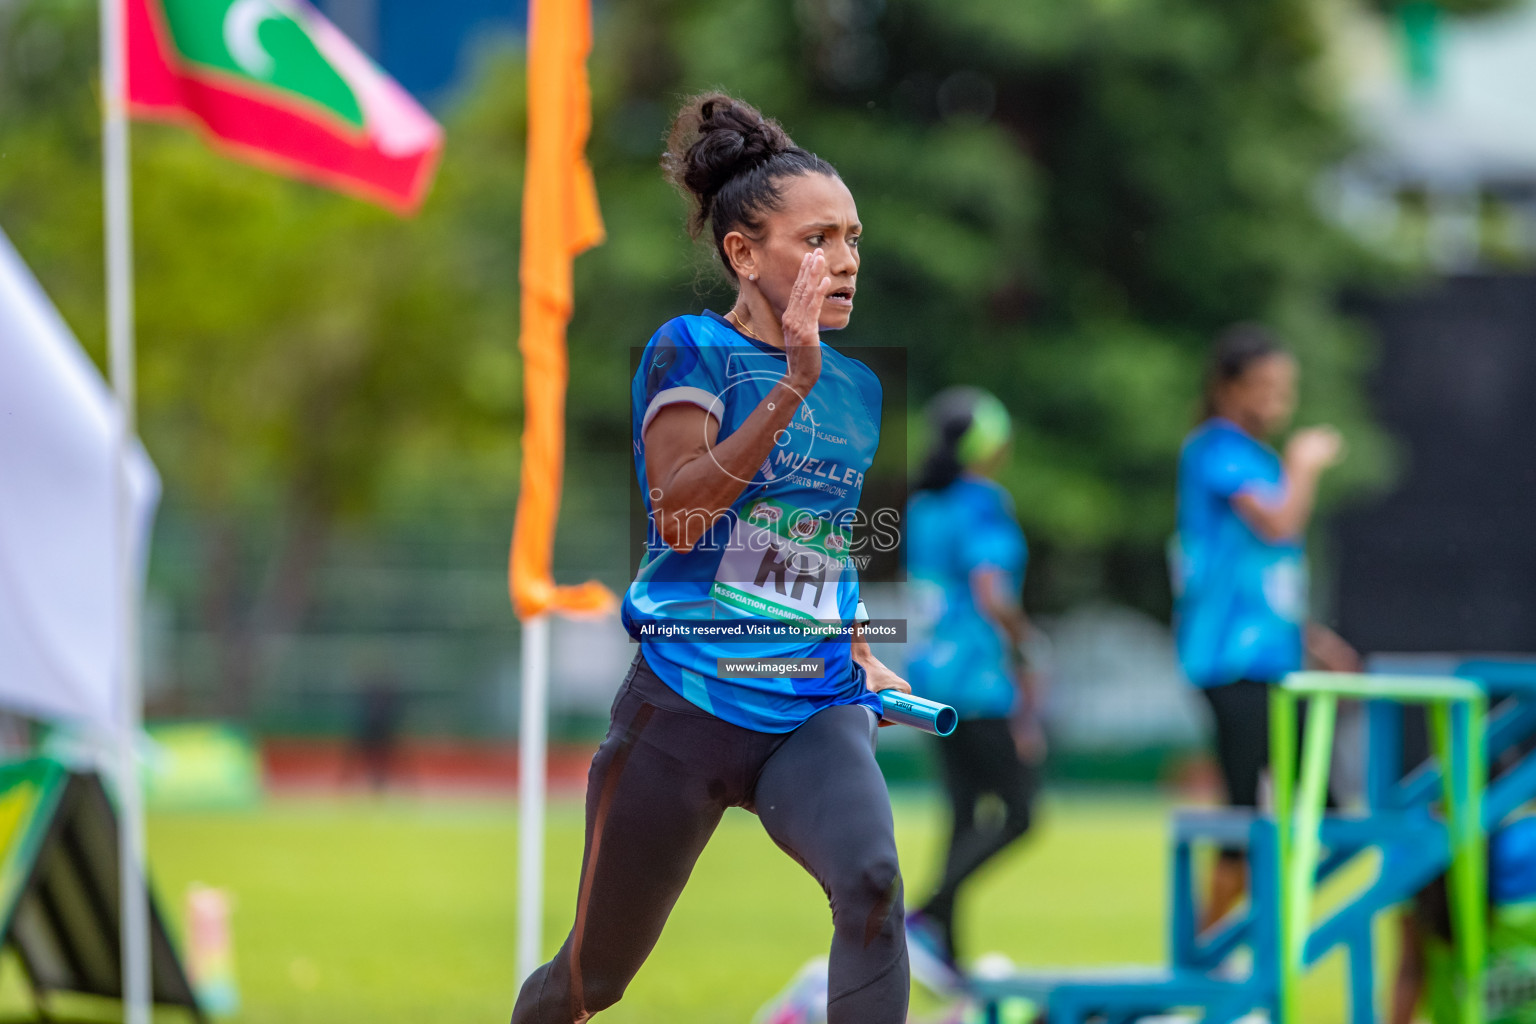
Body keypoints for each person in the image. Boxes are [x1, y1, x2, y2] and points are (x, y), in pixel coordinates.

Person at [511, 93, 912, 1024]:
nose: (845, 261)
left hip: (809, 704)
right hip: (684, 704)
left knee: (876, 884)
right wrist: (789, 387)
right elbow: (681, 514)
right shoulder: (689, 349)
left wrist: (854, 641)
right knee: (589, 982)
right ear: (743, 252)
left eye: (852, 238)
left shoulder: (859, 389)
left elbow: (831, 540)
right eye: (817, 240)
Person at [1172, 323, 1360, 926]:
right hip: (1230, 661)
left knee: (1325, 809)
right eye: (1264, 386)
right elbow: (1277, 526)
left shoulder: (1256, 457)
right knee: (1243, 816)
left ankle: (1245, 942)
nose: (1277, 400)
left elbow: (1258, 575)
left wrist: (1310, 636)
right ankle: (1208, 959)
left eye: (1286, 388)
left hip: (1273, 660)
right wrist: (1305, 465)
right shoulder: (1215, 448)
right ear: (1227, 389)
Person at [902, 387, 1044, 990]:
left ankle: (948, 961)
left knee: (963, 814)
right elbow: (992, 592)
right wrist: (1027, 643)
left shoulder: (924, 506)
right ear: (986, 443)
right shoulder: (983, 502)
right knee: (1018, 813)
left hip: (930, 676)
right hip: (978, 679)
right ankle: (927, 914)